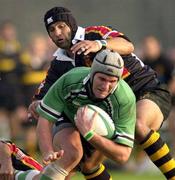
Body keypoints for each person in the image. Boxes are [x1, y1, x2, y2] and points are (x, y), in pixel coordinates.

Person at [28, 6, 175, 180]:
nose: (57, 33)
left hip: (143, 90)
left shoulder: (93, 34)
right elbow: (40, 99)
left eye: (61, 26)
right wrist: (36, 105)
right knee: (88, 165)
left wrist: (99, 44)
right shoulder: (58, 64)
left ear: (71, 24)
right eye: (52, 30)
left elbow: (128, 45)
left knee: (139, 125)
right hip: (111, 107)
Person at [32, 49, 136, 180]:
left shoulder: (124, 99)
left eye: (112, 81)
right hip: (67, 117)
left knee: (87, 166)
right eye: (102, 79)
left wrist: (90, 135)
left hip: (97, 133)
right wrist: (47, 152)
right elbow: (45, 120)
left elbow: (123, 156)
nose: (105, 86)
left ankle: (20, 175)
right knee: (72, 153)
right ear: (92, 73)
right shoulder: (71, 79)